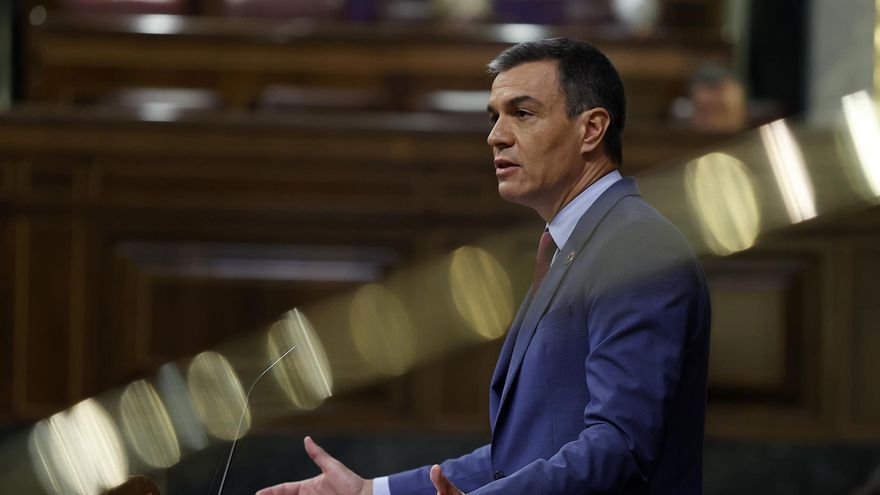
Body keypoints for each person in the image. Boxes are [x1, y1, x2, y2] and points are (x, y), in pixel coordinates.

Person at [257, 37, 711, 495]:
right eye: (495, 116)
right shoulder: (576, 244)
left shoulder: (634, 245)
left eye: (523, 113)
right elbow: (514, 459)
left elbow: (620, 445)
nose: (496, 135)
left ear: (591, 129)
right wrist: (371, 491)